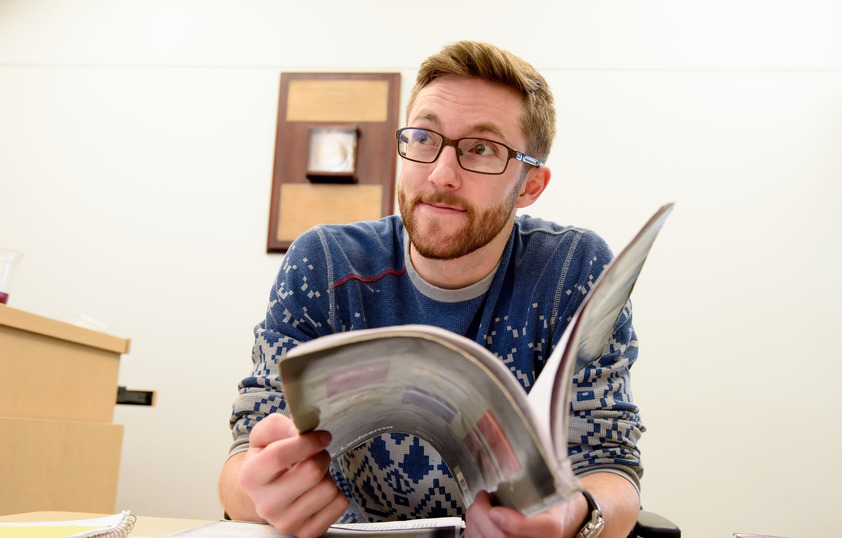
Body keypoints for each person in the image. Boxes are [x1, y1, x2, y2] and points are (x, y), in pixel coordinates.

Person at [219, 40, 644, 538]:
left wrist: (576, 515)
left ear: (530, 185)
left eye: (482, 149)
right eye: (424, 137)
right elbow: (242, 459)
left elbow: (612, 466)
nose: (441, 175)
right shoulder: (326, 265)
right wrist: (260, 491)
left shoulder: (573, 270)